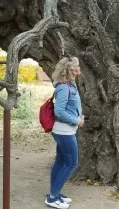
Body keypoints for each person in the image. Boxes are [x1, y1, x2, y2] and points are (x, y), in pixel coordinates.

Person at [45, 56, 84, 209]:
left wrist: (78, 115)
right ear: (71, 70)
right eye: (77, 67)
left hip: (65, 130)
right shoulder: (63, 87)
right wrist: (76, 120)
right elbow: (59, 111)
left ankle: (55, 193)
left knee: (61, 162)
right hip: (64, 131)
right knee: (71, 163)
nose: (79, 69)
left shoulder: (70, 85)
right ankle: (53, 197)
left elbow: (68, 108)